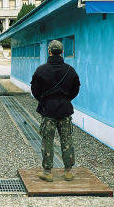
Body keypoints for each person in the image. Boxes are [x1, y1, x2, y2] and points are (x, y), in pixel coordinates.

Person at [31, 40, 80, 182]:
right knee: (67, 139)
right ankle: (69, 171)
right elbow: (75, 89)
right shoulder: (70, 70)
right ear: (62, 52)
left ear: (49, 51)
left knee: (47, 140)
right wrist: (65, 99)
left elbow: (35, 90)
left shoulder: (41, 70)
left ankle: (47, 171)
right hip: (65, 109)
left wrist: (44, 100)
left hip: (48, 109)